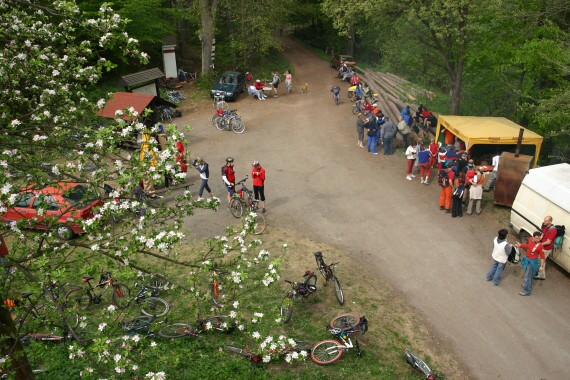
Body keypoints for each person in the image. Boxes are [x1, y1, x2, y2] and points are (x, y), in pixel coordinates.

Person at [515, 231, 545, 296]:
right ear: (533, 237)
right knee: (528, 275)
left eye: (539, 238)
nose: (538, 240)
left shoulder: (540, 246)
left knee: (527, 277)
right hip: (527, 260)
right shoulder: (530, 239)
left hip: (532, 262)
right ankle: (528, 285)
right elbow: (528, 246)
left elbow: (542, 257)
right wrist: (520, 245)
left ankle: (527, 291)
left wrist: (541, 266)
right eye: (537, 238)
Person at [535, 216, 557, 280]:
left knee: (541, 260)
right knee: (541, 260)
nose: (544, 222)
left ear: (550, 221)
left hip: (546, 248)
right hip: (542, 246)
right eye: (544, 220)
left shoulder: (553, 230)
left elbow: (548, 242)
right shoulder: (546, 227)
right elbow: (542, 235)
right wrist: (538, 240)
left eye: (546, 221)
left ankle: (541, 275)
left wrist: (539, 244)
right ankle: (539, 272)